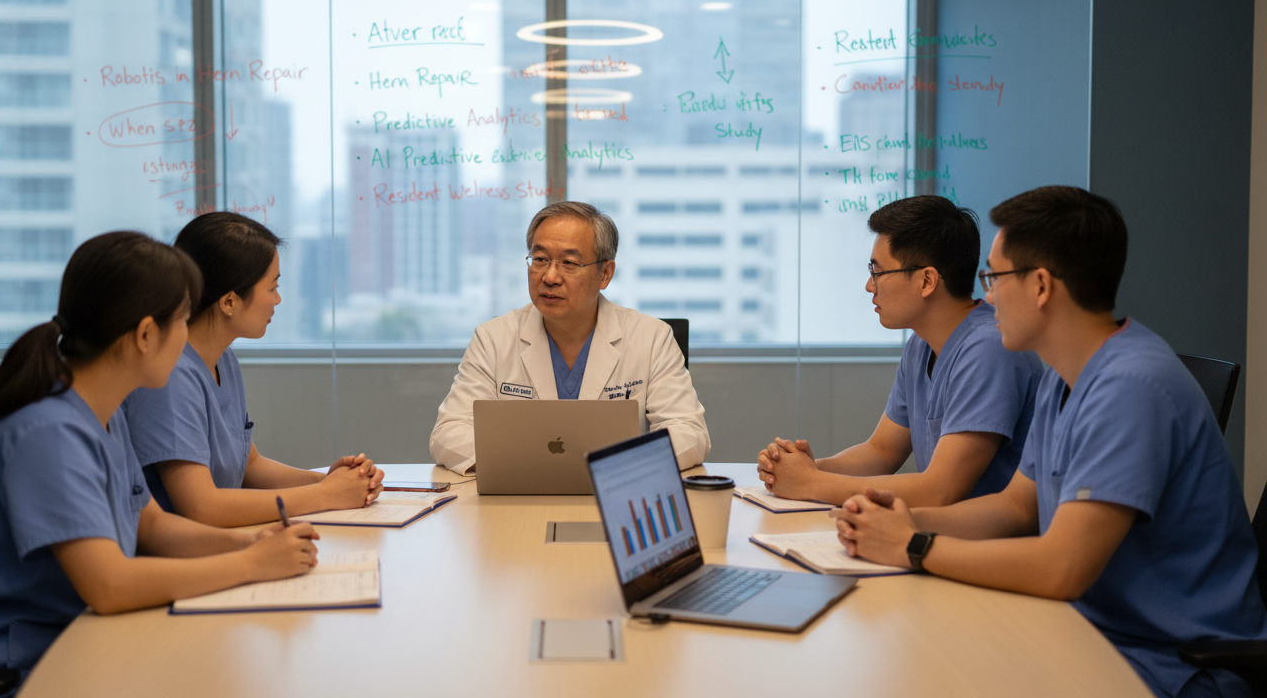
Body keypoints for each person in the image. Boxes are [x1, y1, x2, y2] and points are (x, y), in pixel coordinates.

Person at [834, 186, 1267, 698]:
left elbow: (1063, 568)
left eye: (995, 278)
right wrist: (902, 521)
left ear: (1040, 286)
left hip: (1168, 664)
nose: (987, 297)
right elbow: (1015, 509)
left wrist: (913, 545)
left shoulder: (1131, 386)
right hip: (1090, 631)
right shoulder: (1067, 375)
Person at [0, 232, 320, 680]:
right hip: (9, 667)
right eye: (183, 322)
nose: (188, 339)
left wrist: (249, 544)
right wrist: (248, 565)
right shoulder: (50, 432)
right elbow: (108, 586)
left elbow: (151, 525)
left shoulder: (101, 412)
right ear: (146, 335)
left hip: (75, 637)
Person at [756, 195, 1042, 506]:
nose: (869, 286)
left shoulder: (988, 349)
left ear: (927, 281)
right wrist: (803, 469)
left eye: (877, 272)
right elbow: (881, 451)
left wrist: (811, 482)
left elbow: (940, 490)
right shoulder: (921, 344)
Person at [123, 212, 383, 528]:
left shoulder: (223, 359)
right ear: (229, 301)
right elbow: (202, 507)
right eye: (272, 287)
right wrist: (326, 494)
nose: (278, 299)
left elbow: (250, 466)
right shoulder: (170, 376)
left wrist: (331, 482)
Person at [430, 201, 709, 474]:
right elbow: (449, 432)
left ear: (605, 273)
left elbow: (688, 432)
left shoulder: (651, 338)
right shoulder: (493, 338)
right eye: (540, 259)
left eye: (569, 263)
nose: (550, 277)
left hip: (614, 488)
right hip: (522, 489)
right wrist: (530, 466)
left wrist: (617, 467)